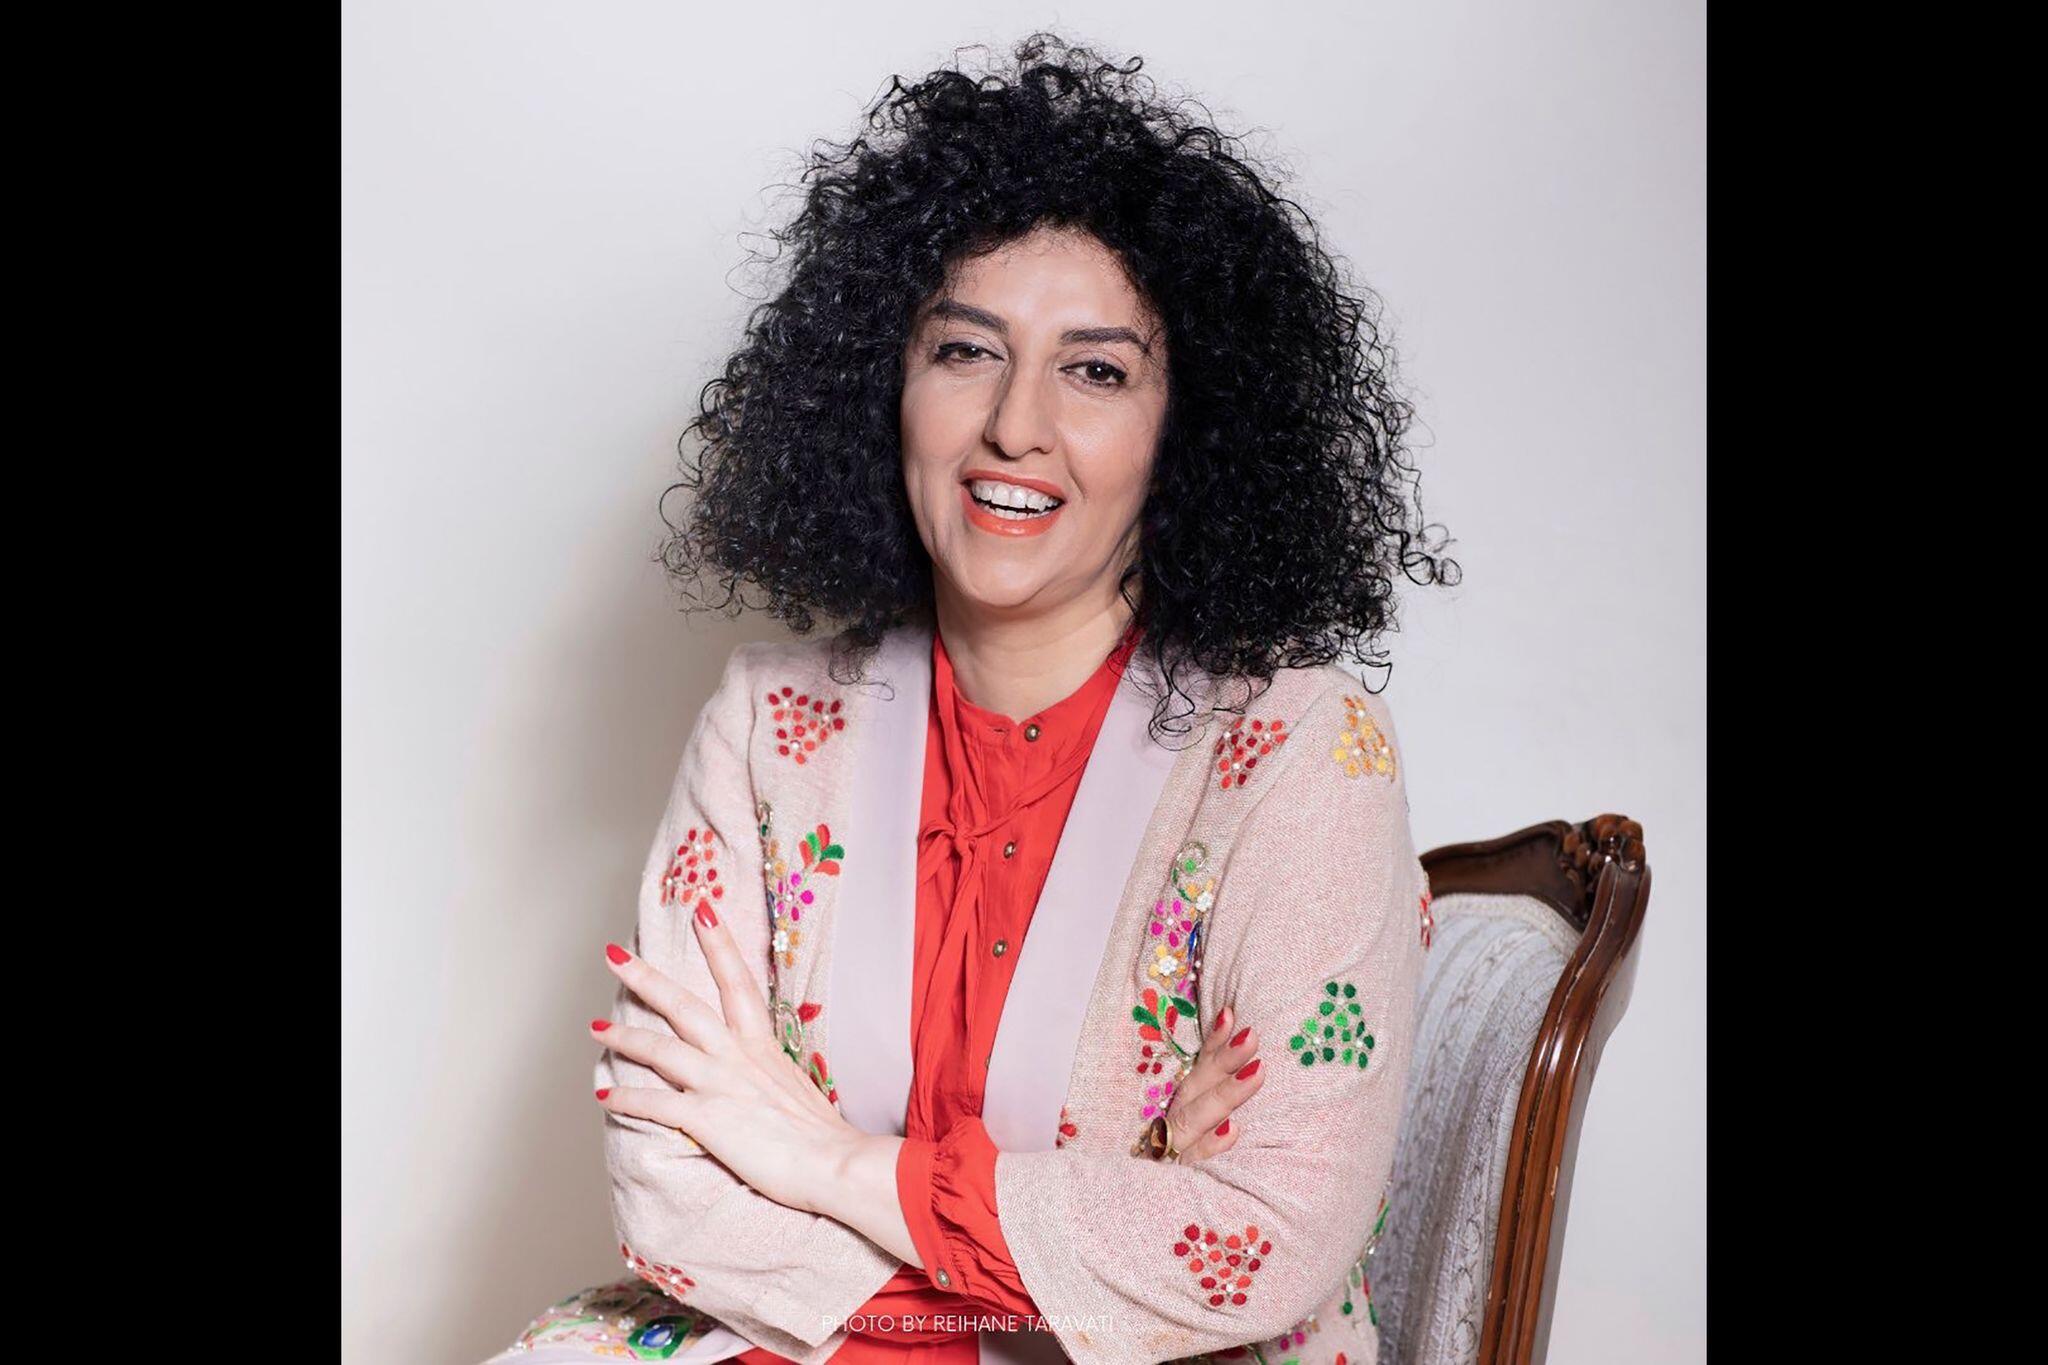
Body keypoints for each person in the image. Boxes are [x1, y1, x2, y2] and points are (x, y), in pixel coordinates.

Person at [487, 31, 1457, 1365]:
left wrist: (824, 1160)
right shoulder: (769, 726)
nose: (1015, 426)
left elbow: (1265, 1232)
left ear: (1188, 431)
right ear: (883, 385)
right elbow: (671, 1178)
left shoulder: (1300, 750)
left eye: (1097, 370)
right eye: (965, 351)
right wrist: (1075, 1240)